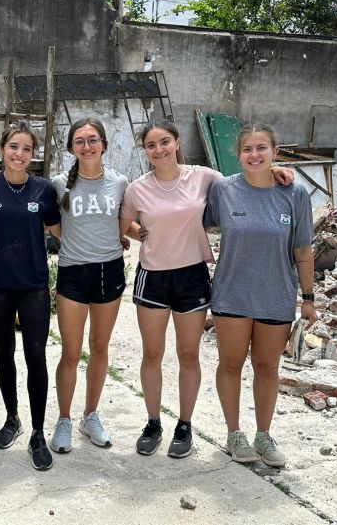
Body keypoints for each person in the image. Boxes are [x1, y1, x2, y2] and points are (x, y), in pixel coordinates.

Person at [119, 119, 292, 459]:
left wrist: (278, 172)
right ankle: (153, 422)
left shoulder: (204, 177)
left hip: (192, 275)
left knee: (188, 355)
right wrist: (139, 232)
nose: (159, 150)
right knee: (152, 354)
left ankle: (184, 425)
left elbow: (247, 180)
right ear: (146, 151)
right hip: (152, 277)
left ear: (178, 142)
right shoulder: (137, 188)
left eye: (165, 142)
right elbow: (122, 224)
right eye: (152, 145)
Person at [204, 122, 316, 468]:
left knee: (267, 367)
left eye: (261, 148)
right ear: (238, 155)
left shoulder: (294, 193)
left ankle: (264, 435)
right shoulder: (223, 190)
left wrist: (309, 298)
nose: (255, 155)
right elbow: (195, 221)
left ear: (275, 151)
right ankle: (234, 433)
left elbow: (303, 250)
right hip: (232, 294)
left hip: (276, 295)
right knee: (232, 363)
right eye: (247, 149)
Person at [0, 121, 61, 470]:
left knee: (36, 356)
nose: (19, 154)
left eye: (26, 148)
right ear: (2, 149)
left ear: (32, 154)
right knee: (4, 351)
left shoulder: (44, 189)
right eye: (13, 147)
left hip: (34, 284)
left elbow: (59, 231)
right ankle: (12, 418)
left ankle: (38, 432)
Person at [49, 118, 140, 454]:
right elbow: (56, 227)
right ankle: (63, 420)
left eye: (92, 140)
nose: (86, 146)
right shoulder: (60, 184)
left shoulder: (119, 182)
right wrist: (79, 242)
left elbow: (124, 222)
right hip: (73, 272)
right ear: (71, 146)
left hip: (110, 272)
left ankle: (90, 415)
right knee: (71, 353)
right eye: (79, 141)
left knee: (100, 349)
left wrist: (137, 234)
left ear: (103, 143)